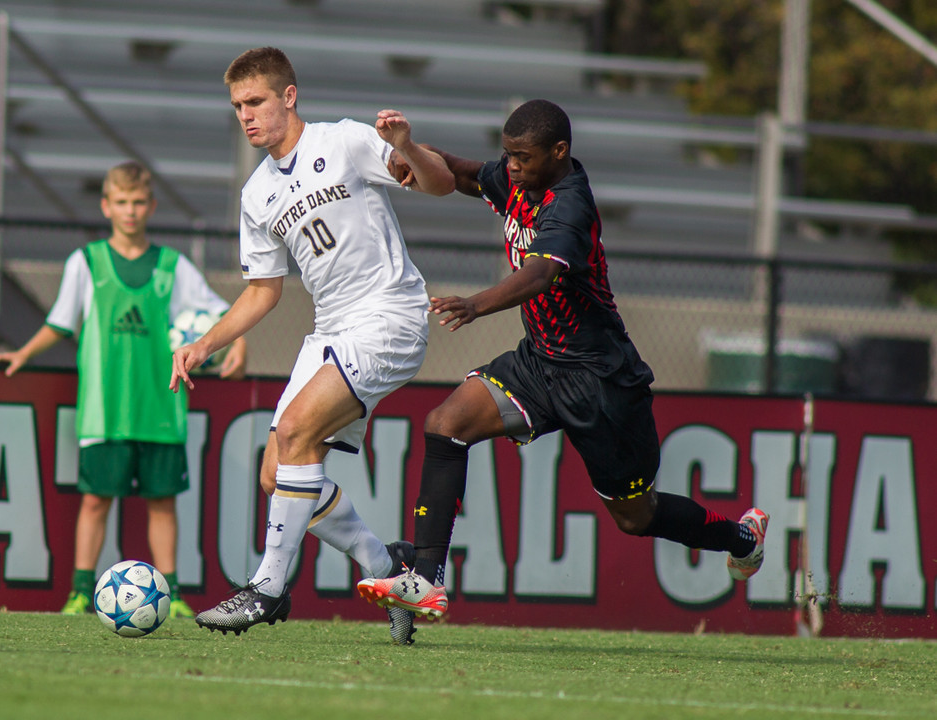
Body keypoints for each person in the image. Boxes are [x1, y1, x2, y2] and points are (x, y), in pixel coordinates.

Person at [356, 99, 769, 625]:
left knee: (635, 517)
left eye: (522, 157)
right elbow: (459, 171)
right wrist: (407, 148)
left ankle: (742, 537)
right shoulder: (518, 178)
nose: (511, 167)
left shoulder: (569, 204)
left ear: (559, 151)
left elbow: (540, 274)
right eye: (507, 156)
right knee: (445, 425)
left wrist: (475, 304)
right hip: (539, 364)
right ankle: (426, 580)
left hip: (601, 383)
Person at [168, 47, 454, 642]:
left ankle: (266, 590)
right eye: (237, 106)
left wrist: (405, 146)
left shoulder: (345, 141)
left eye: (255, 102)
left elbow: (440, 184)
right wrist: (205, 344)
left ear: (289, 96)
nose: (245, 116)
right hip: (329, 330)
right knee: (277, 474)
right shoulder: (257, 194)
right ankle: (391, 572)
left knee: (296, 431)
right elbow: (262, 292)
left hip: (390, 315)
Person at [0, 160, 247, 618]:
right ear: (106, 206)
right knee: (94, 500)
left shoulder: (173, 266)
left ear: (152, 205)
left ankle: (174, 594)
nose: (131, 211)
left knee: (162, 504)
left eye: (139, 201)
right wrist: (23, 354)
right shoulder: (86, 262)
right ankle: (81, 591)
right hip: (103, 410)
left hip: (161, 407)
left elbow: (218, 314)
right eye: (122, 202)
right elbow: (60, 323)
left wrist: (238, 339)